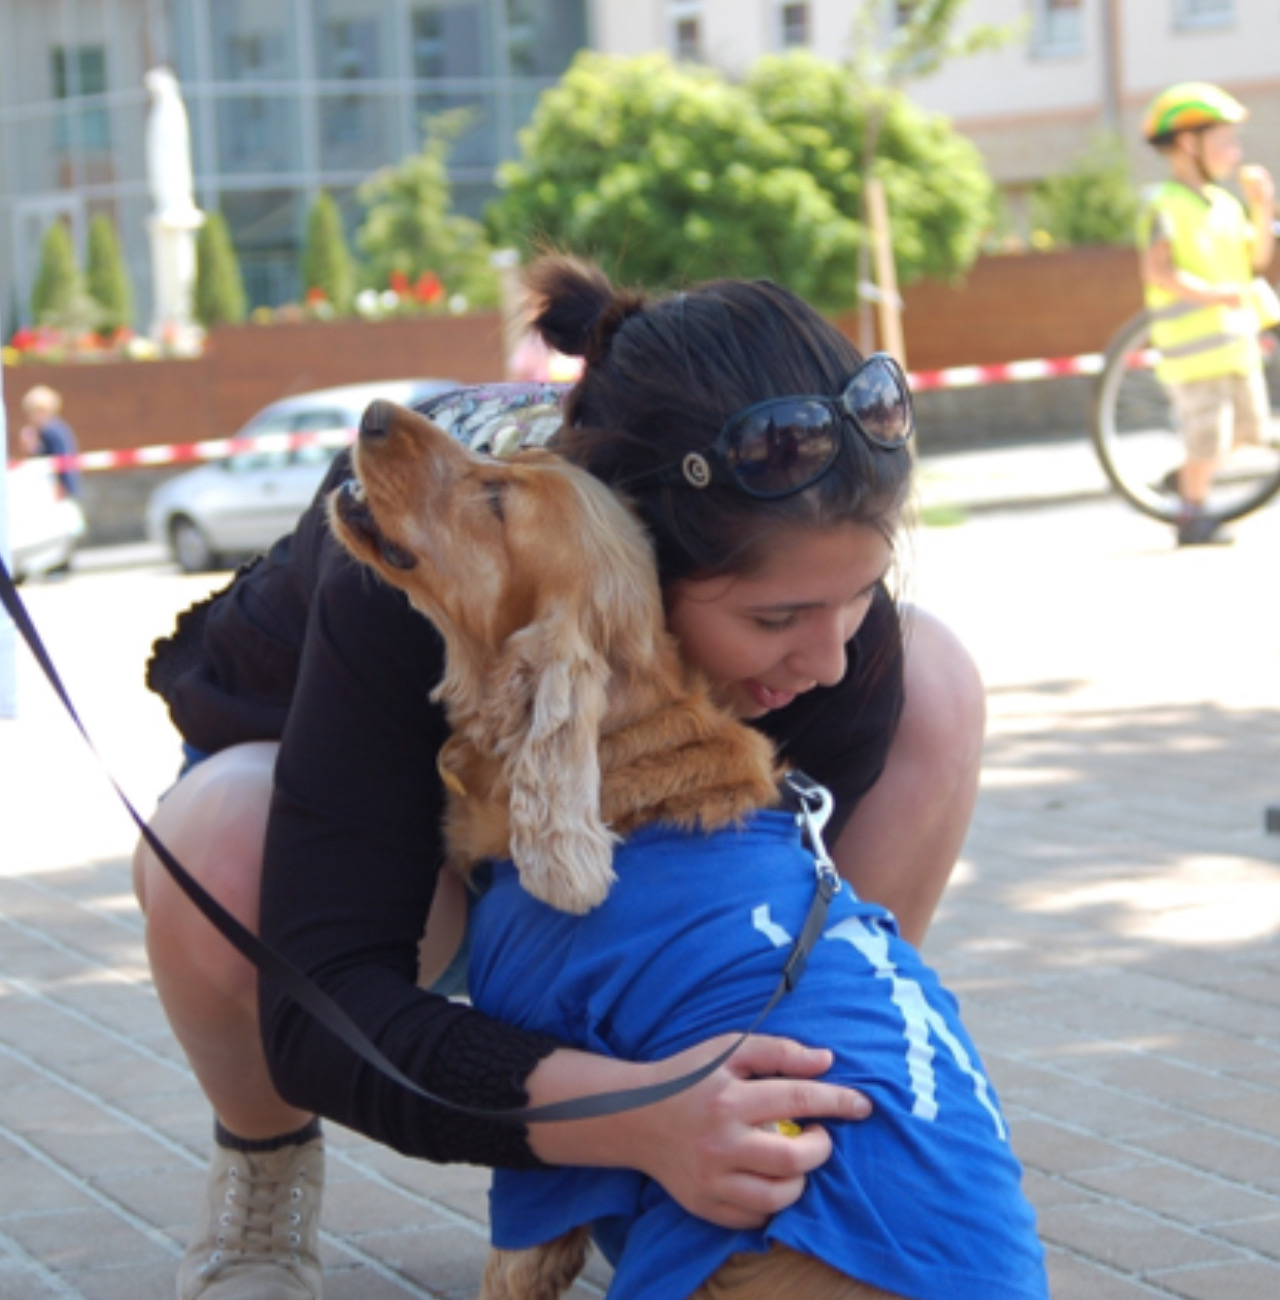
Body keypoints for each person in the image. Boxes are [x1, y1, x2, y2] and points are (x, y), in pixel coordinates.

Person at [134, 254, 986, 1299]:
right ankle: (263, 1182)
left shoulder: (830, 636)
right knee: (219, 839)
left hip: (632, 820)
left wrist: (698, 1120)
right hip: (383, 814)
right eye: (774, 619)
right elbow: (327, 1014)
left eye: (855, 595)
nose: (827, 662)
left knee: (933, 682)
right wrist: (628, 1113)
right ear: (632, 572)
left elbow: (773, 870)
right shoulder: (417, 561)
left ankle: (762, 1118)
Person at [1137, 81, 1278, 546]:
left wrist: (1262, 206)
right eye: (1224, 142)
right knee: (1207, 437)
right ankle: (1192, 516)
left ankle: (1184, 480)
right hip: (1194, 352)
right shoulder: (1165, 205)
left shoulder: (1224, 204)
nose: (1234, 152)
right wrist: (1215, 296)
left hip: (1235, 345)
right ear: (1187, 143)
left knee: (1250, 431)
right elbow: (1159, 271)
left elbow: (1256, 258)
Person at [19, 384, 82, 499]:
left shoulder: (52, 431)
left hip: (58, 490)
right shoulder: (52, 429)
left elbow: (59, 460)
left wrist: (32, 447)